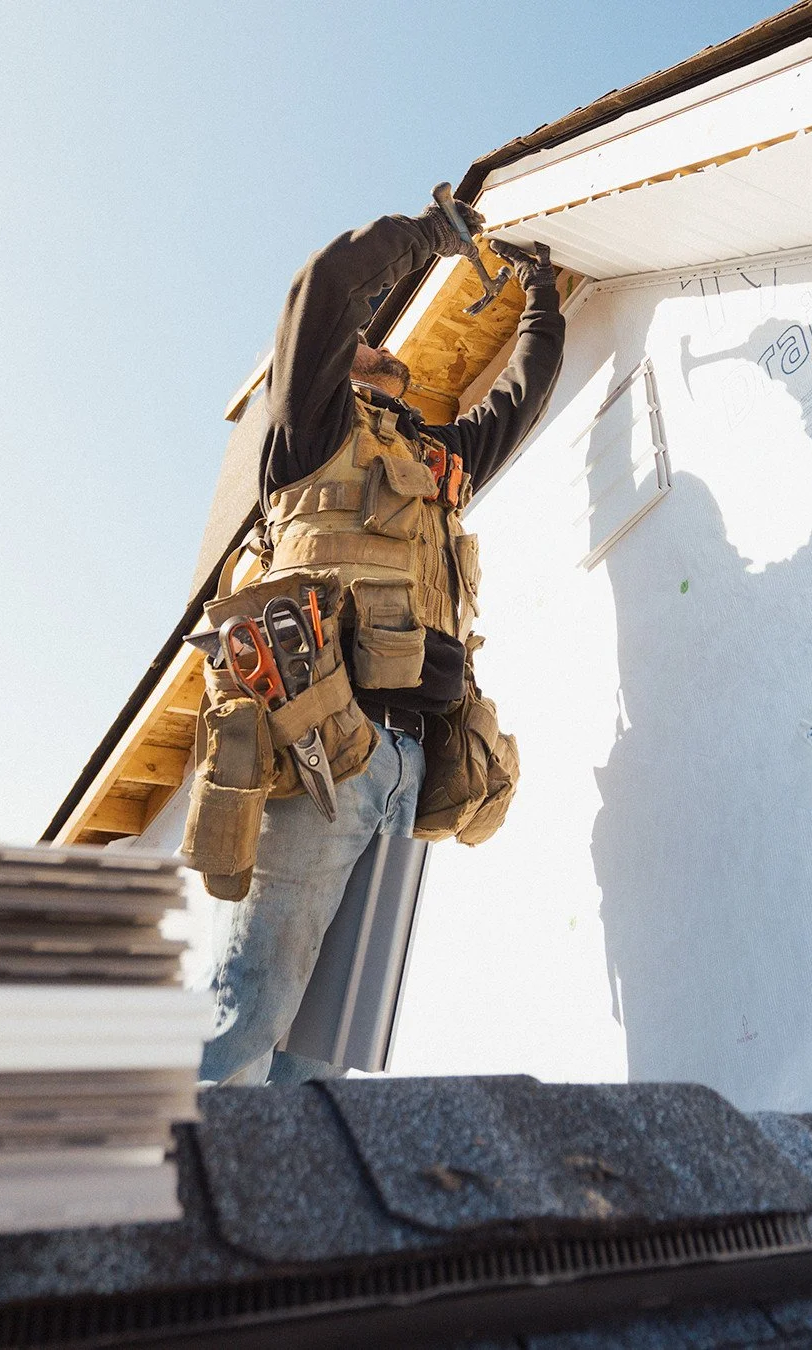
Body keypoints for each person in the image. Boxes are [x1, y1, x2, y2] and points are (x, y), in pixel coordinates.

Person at [197, 195, 565, 1085]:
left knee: (328, 1056)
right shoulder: (309, 433)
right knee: (248, 1014)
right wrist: (438, 237)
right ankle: (180, 1215)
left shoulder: (434, 464)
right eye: (364, 340)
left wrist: (542, 293)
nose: (380, 342)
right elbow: (325, 285)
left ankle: (300, 1217)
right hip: (324, 752)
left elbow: (521, 397)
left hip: (408, 770)